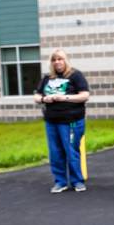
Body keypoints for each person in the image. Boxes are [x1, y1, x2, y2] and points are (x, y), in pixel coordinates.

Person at [33, 49, 90, 193]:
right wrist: (43, 99)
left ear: (66, 60)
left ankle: (77, 181)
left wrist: (64, 97)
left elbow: (85, 95)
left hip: (71, 121)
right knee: (55, 152)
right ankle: (60, 182)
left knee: (71, 151)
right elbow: (36, 96)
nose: (57, 62)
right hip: (51, 121)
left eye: (60, 59)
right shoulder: (47, 78)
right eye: (54, 59)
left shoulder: (75, 75)